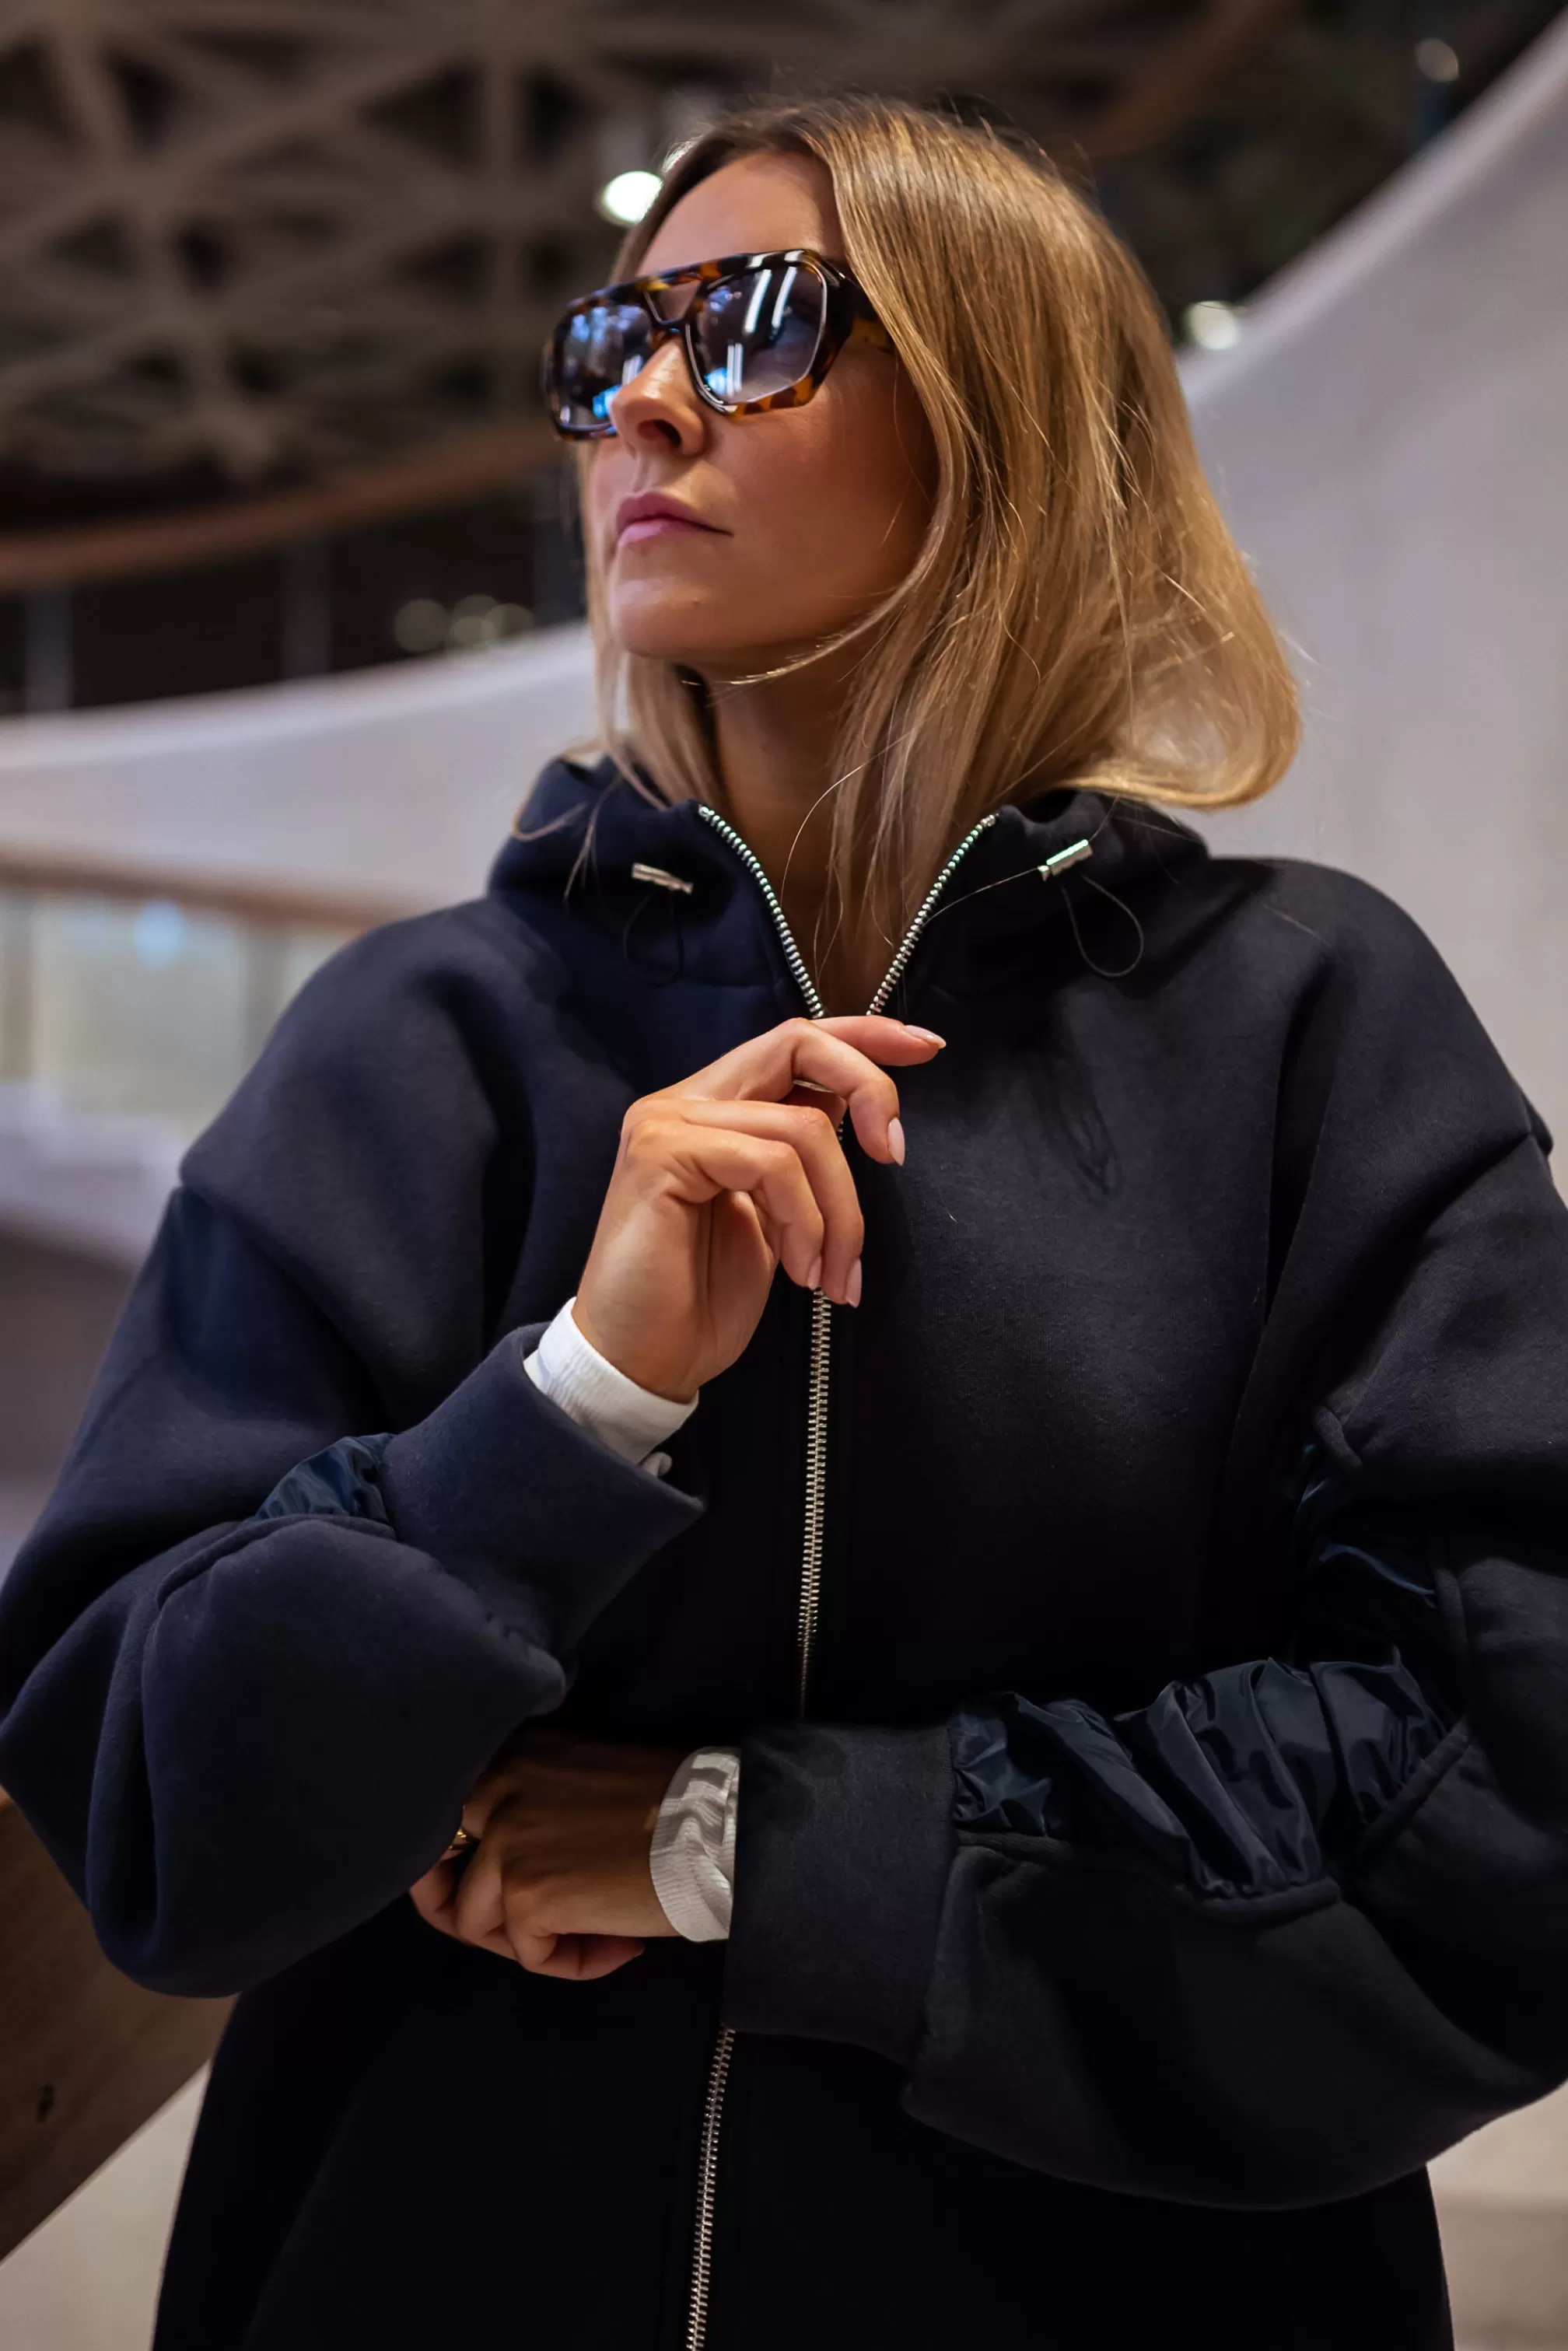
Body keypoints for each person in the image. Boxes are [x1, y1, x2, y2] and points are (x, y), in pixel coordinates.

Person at [2, 91, 1566, 2351]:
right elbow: (151, 1810)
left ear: (1008, 420)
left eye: (751, 326)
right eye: (611, 343)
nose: (643, 401)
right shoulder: (416, 1041)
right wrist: (573, 1404)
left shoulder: (1309, 1024)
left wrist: (747, 1842)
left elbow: (1506, 1802)